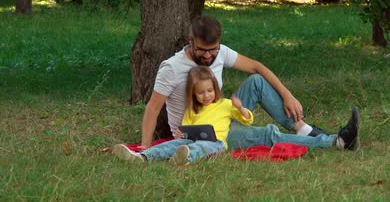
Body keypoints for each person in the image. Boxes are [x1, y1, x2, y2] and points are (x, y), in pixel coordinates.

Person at [138, 15, 335, 151]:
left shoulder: (221, 52)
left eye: (212, 50)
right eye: (202, 50)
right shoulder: (171, 68)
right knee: (267, 134)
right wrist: (145, 148)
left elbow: (257, 67)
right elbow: (153, 108)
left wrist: (287, 95)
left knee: (257, 81)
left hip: (222, 114)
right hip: (203, 134)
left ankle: (302, 129)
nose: (208, 56)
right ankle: (332, 142)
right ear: (191, 41)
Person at [113, 66, 359, 164]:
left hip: (223, 138)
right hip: (196, 139)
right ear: (194, 95)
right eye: (202, 93)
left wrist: (241, 108)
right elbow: (185, 128)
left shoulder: (223, 103)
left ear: (215, 90)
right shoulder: (191, 111)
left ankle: (331, 141)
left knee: (268, 133)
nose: (207, 96)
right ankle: (143, 157)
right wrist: (179, 132)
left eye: (210, 91)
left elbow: (245, 118)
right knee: (179, 143)